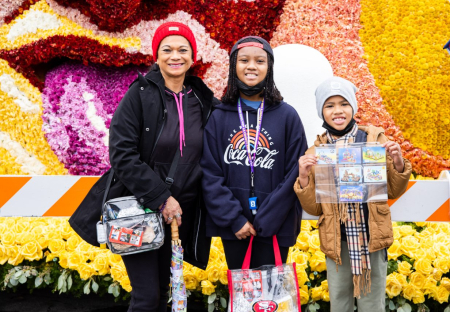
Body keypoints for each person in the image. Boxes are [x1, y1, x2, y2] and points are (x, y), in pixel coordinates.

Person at [70, 21, 216, 312]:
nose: (175, 56)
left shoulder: (203, 99)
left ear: (193, 56)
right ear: (156, 55)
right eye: (167, 49)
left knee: (163, 293)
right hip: (140, 211)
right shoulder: (139, 94)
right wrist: (162, 198)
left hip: (179, 213)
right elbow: (122, 155)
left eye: (183, 49)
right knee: (147, 298)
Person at [294, 77, 412, 311]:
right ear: (322, 112)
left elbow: (393, 189)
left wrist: (398, 162)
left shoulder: (373, 140)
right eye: (329, 105)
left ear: (353, 107)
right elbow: (315, 208)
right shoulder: (317, 151)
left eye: (344, 103)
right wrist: (304, 176)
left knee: (372, 304)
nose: (338, 111)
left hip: (372, 239)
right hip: (336, 242)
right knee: (339, 302)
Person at [200, 36, 307, 269]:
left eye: (260, 61)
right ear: (233, 67)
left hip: (277, 226)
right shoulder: (219, 116)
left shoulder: (287, 116)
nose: (251, 66)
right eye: (244, 60)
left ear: (269, 68)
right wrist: (235, 219)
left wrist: (268, 220)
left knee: (271, 299)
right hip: (236, 228)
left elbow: (296, 174)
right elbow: (210, 173)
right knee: (242, 296)